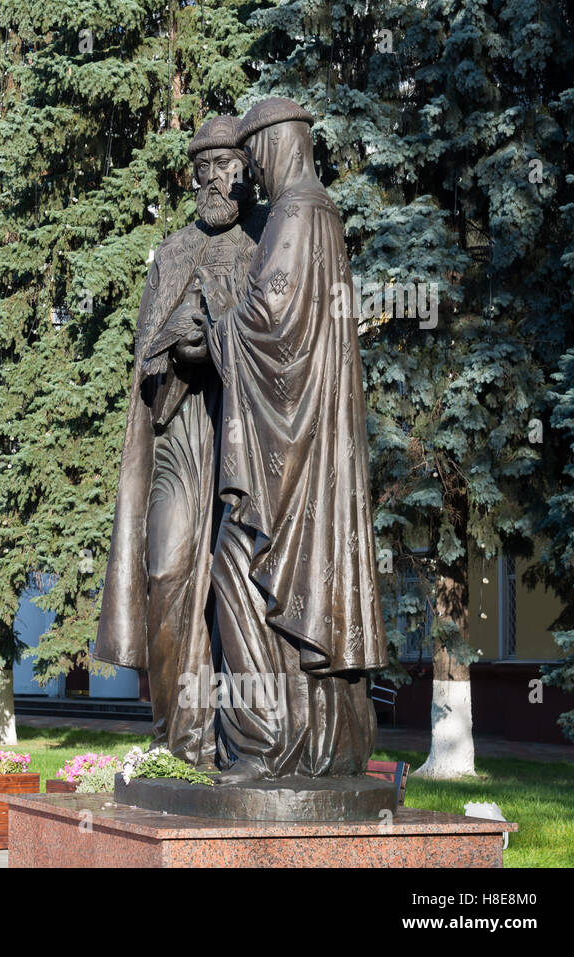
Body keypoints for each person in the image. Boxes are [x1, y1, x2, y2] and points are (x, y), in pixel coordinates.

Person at [194, 97, 388, 781]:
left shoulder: (296, 211)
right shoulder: (322, 211)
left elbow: (268, 315)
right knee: (303, 589)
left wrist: (215, 322)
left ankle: (265, 742)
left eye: (254, 157)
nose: (250, 176)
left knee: (236, 572)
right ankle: (320, 742)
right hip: (308, 437)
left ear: (277, 145)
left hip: (288, 453)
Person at [94, 115, 266, 769]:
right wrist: (178, 349)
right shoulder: (169, 253)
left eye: (229, 167)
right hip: (179, 436)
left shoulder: (265, 242)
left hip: (243, 443)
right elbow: (145, 357)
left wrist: (220, 342)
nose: (218, 180)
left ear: (247, 173)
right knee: (165, 571)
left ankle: (235, 741)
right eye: (205, 170)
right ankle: (176, 743)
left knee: (238, 586)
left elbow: (281, 348)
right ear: (192, 176)